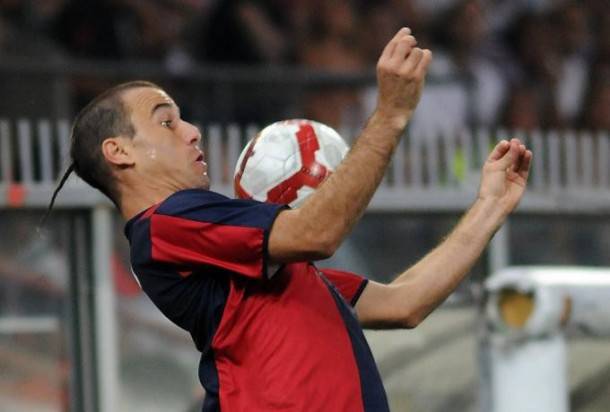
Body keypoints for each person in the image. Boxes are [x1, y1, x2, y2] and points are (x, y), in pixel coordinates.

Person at [46, 28, 532, 411]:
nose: (192, 132)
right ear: (119, 152)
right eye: (167, 121)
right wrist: (389, 114)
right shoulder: (165, 223)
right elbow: (316, 232)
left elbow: (403, 304)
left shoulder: (258, 269)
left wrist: (489, 206)